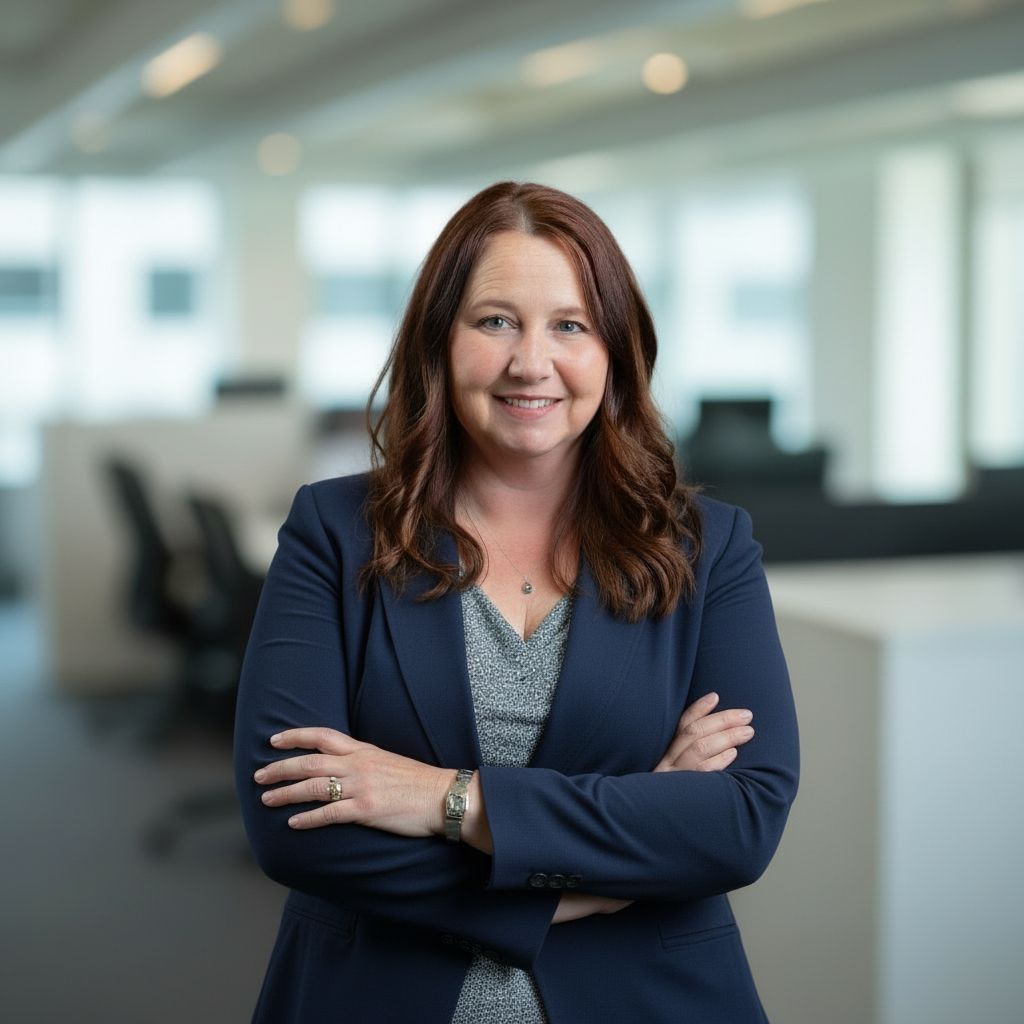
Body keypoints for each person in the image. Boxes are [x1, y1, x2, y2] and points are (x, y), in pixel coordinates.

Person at [234, 181, 799, 1024]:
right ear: (440, 340)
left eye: (569, 325)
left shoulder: (706, 547)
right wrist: (584, 879)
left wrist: (442, 799)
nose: (530, 362)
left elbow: (740, 819)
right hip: (378, 996)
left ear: (613, 350)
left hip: (651, 1000)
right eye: (495, 320)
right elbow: (290, 817)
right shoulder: (337, 530)